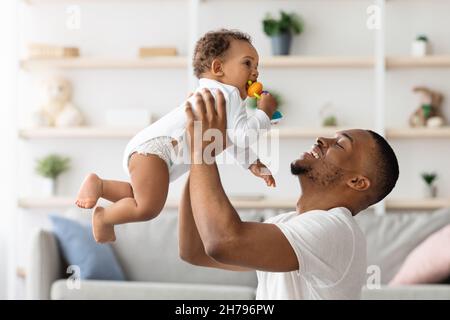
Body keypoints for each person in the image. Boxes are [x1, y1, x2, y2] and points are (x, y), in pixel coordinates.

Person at [179, 89, 400, 299]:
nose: (322, 139)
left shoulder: (337, 230)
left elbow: (224, 242)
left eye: (340, 145)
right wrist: (200, 153)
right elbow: (196, 251)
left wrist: (203, 151)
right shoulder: (287, 224)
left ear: (357, 182)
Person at [75, 29, 278, 242]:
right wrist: (264, 113)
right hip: (159, 150)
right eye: (247, 63)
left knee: (139, 198)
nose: (255, 72)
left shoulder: (218, 96)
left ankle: (102, 186)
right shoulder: (228, 94)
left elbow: (228, 138)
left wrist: (252, 162)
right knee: (148, 208)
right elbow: (242, 135)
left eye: (257, 67)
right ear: (218, 68)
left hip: (150, 149)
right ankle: (104, 216)